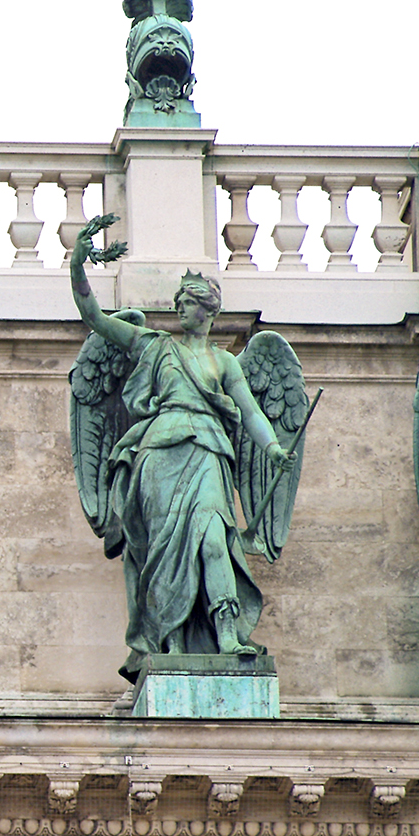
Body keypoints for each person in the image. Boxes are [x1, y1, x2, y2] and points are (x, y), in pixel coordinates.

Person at [69, 235, 289, 680]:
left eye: (187, 303)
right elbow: (92, 316)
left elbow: (250, 413)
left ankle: (228, 633)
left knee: (212, 539)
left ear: (207, 309)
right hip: (156, 454)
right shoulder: (154, 346)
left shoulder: (225, 363)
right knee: (161, 552)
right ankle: (167, 641)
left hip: (207, 450)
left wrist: (273, 448)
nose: (178, 310)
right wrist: (77, 264)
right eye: (178, 303)